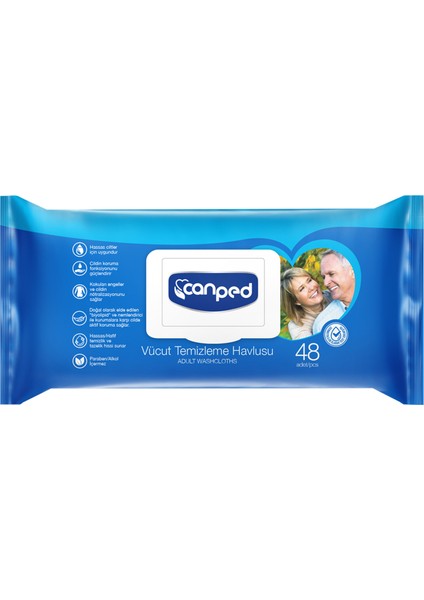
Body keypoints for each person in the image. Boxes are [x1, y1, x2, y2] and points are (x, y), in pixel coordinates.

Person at [312, 250, 355, 334]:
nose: (325, 283)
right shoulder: (323, 324)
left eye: (331, 274)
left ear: (352, 271)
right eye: (323, 277)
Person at [281, 268, 330, 339]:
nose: (311, 288)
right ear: (296, 301)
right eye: (302, 289)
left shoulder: (333, 295)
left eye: (309, 280)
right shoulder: (298, 327)